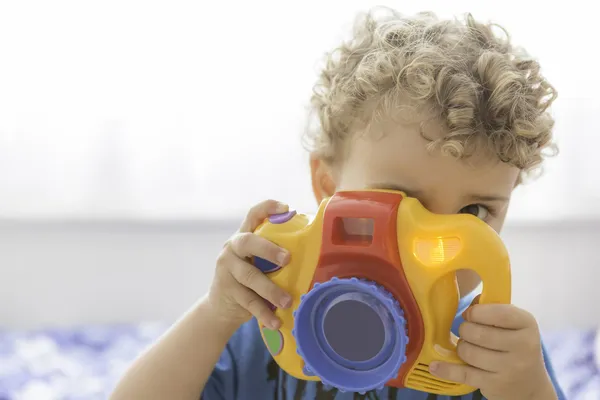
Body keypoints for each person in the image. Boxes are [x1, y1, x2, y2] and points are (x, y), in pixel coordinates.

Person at [110, 8, 566, 400]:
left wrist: (529, 391)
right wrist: (214, 315)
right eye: (402, 202)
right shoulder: (271, 316)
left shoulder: (491, 353)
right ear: (327, 186)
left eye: (474, 214)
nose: (438, 249)